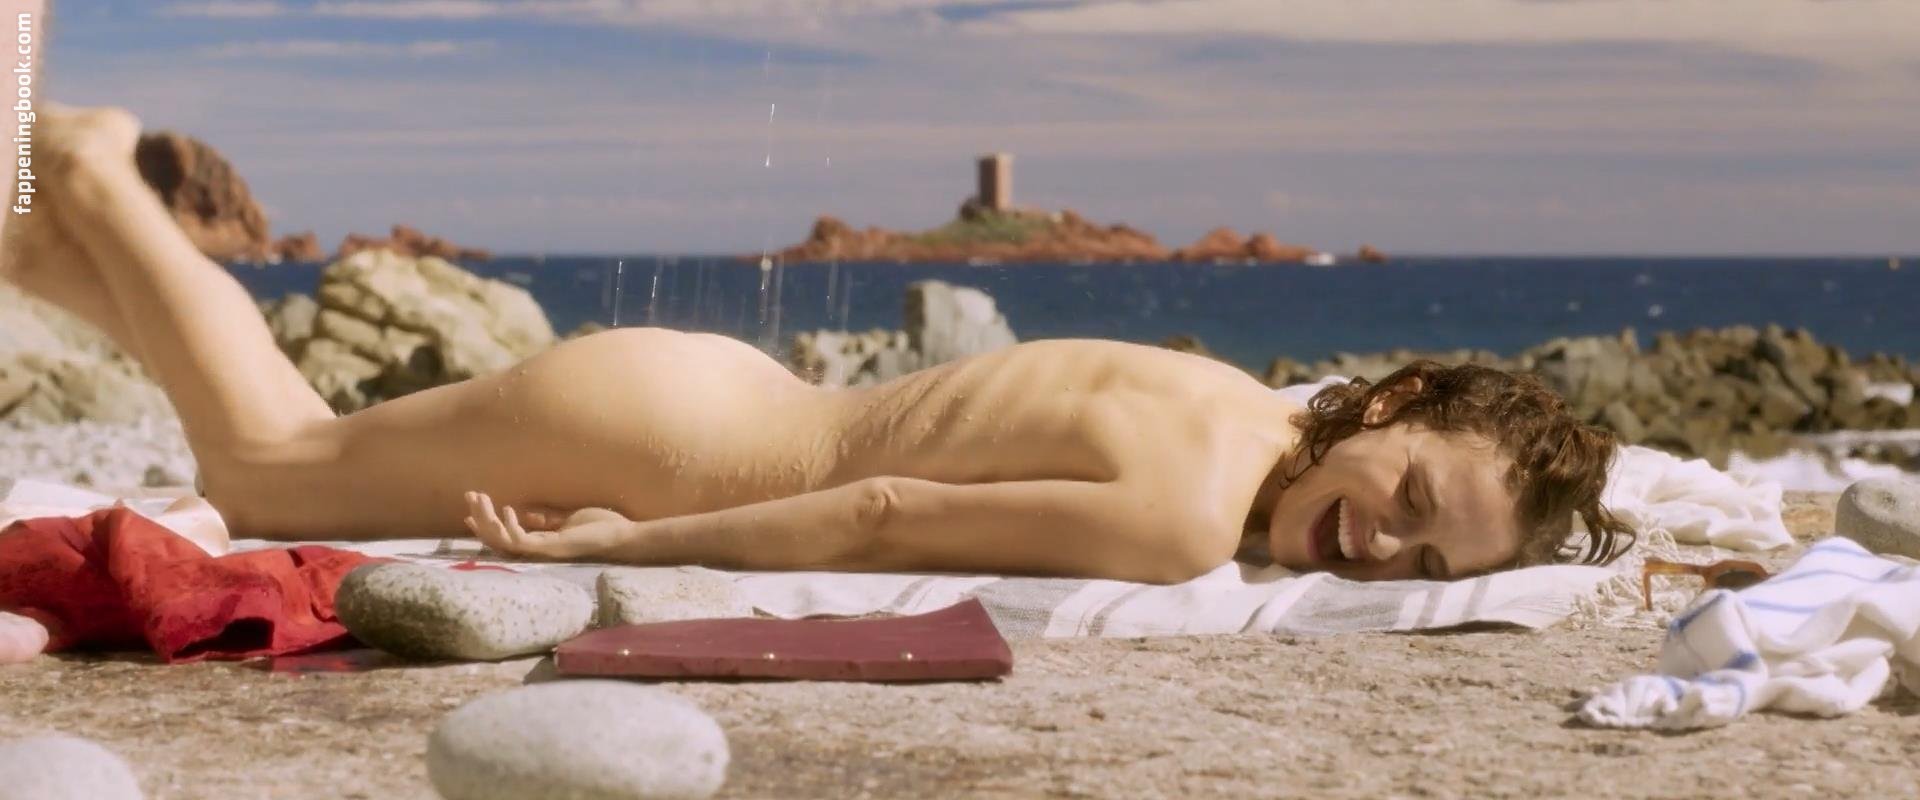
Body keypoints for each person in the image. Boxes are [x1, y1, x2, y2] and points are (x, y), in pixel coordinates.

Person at [1, 104, 1633, 587]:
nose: (1382, 546)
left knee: (292, 439)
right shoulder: (1186, 519)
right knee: (269, 470)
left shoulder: (1243, 403)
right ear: (1392, 404)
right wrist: (622, 549)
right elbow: (879, 517)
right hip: (667, 452)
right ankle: (91, 169)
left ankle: (38, 241)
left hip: (703, 398)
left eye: (1428, 564)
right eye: (1411, 496)